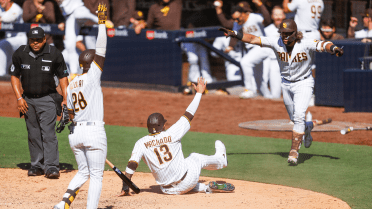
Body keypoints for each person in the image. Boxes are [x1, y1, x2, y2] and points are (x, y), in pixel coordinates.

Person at [219, 18, 344, 165]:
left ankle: (294, 152)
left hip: (304, 83)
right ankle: (307, 127)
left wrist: (334, 48)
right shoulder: (276, 42)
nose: (284, 37)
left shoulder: (305, 42)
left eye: (287, 33)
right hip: (286, 84)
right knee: (294, 119)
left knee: (298, 116)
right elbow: (253, 39)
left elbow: (323, 45)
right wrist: (235, 34)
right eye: (282, 33)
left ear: (295, 33)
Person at [117, 77, 234, 196]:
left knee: (181, 170)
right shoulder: (171, 133)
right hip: (188, 181)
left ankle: (205, 188)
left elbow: (132, 165)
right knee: (195, 157)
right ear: (162, 126)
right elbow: (189, 114)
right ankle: (221, 160)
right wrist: (199, 93)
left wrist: (125, 187)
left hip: (168, 190)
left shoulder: (140, 143)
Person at [53, 3, 108, 209]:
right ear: (93, 64)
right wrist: (101, 20)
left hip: (75, 135)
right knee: (96, 175)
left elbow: (70, 111)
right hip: (94, 132)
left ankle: (63, 204)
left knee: (83, 171)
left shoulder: (73, 81)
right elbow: (101, 45)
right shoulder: (93, 76)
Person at [10, 27, 68, 177]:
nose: (35, 43)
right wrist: (19, 98)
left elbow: (63, 78)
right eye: (32, 40)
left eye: (38, 40)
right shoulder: (20, 53)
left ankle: (51, 166)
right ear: (28, 40)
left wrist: (66, 100)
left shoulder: (54, 53)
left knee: (48, 133)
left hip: (48, 98)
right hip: (27, 100)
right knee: (33, 133)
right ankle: (36, 165)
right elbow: (14, 76)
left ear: (44, 39)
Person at [228, 1, 272, 99]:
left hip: (262, 46)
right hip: (252, 50)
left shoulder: (254, 17)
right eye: (234, 19)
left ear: (243, 14)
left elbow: (268, 20)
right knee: (258, 79)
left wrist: (260, 5)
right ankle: (268, 98)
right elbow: (235, 34)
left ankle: (249, 90)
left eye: (237, 18)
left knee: (245, 62)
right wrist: (231, 46)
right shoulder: (238, 23)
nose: (236, 21)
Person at [56, 0, 113, 75]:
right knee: (69, 44)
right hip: (69, 16)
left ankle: (101, 21)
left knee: (78, 14)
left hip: (80, 10)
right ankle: (73, 73)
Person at [262, 6, 286, 99]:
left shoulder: (292, 28)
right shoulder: (266, 30)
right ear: (272, 16)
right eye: (275, 15)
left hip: (289, 62)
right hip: (273, 62)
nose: (278, 17)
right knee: (275, 94)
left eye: (280, 14)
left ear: (284, 16)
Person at [0, 0, 27, 76]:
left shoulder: (16, 8)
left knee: (2, 44)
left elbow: (10, 18)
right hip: (8, 41)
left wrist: (1, 19)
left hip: (20, 39)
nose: (1, 1)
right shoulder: (1, 8)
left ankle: (1, 75)